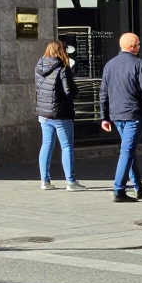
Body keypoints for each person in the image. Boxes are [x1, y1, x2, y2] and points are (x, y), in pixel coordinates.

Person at [100, 32, 142, 203]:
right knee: (127, 151)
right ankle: (119, 189)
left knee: (128, 149)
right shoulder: (139, 64)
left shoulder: (110, 65)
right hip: (134, 114)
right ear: (133, 47)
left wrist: (104, 117)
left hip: (116, 114)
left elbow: (103, 92)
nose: (139, 47)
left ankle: (139, 187)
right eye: (138, 44)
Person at [34, 40, 85, 191]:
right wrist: (75, 88)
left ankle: (45, 181)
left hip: (44, 113)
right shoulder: (63, 68)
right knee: (67, 146)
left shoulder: (39, 66)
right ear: (61, 51)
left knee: (46, 145)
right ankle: (71, 182)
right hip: (61, 113)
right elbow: (69, 92)